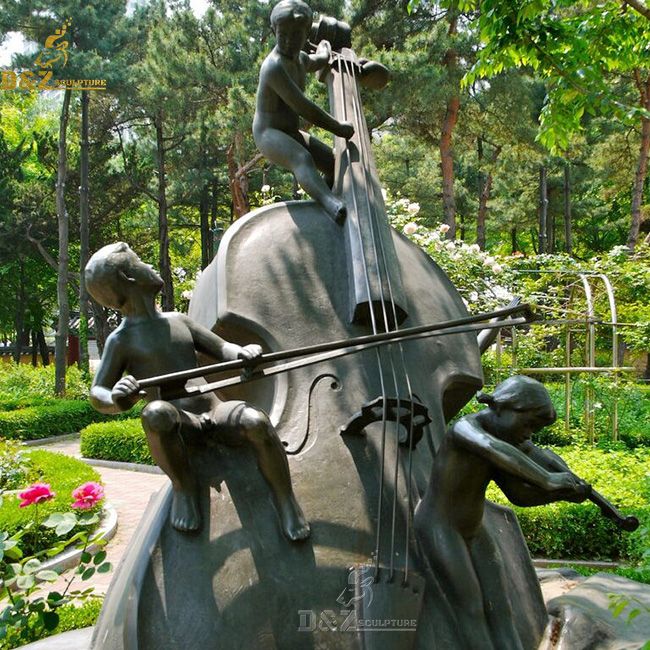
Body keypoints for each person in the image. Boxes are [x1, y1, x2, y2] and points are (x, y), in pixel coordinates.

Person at [85, 242, 310, 541]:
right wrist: (116, 396)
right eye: (140, 262)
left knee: (255, 421)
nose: (150, 265)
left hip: (213, 407)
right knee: (155, 413)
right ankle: (184, 487)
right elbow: (97, 392)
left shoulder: (178, 321)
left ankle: (285, 501)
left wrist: (242, 353)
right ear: (129, 279)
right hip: (179, 421)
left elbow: (221, 347)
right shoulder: (121, 340)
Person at [414, 375, 591, 650]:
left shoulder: (502, 441)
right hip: (440, 527)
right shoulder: (466, 430)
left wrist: (559, 493)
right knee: (470, 607)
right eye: (529, 424)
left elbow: (518, 495)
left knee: (500, 606)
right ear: (506, 407)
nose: (529, 434)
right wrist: (549, 479)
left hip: (475, 529)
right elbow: (492, 449)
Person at [253, 0, 354, 224]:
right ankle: (331, 204)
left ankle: (321, 201)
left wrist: (326, 49)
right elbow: (305, 108)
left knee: (332, 162)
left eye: (296, 35)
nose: (289, 42)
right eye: (283, 35)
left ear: (307, 33)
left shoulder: (300, 58)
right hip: (268, 133)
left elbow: (319, 60)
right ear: (274, 31)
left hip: (291, 131)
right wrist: (338, 128)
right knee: (302, 158)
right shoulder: (274, 67)